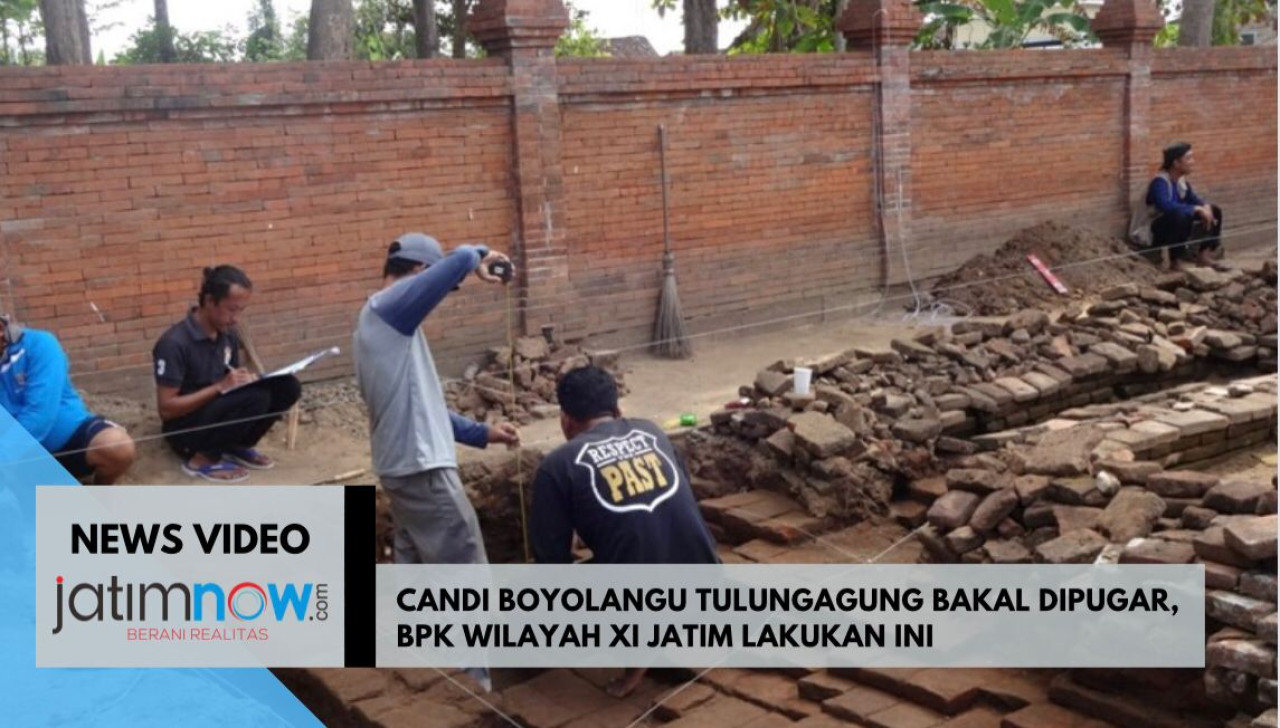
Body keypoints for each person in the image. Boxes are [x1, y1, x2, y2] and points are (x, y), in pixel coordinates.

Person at [530, 365, 719, 697]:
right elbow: (678, 503)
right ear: (617, 411)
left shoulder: (557, 466)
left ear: (565, 420)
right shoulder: (653, 432)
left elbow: (550, 562)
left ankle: (641, 656)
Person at [152, 265, 300, 483]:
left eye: (241, 311)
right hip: (185, 430)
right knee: (256, 398)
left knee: (287, 386)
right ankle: (201, 460)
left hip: (216, 413)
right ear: (210, 301)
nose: (236, 318)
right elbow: (166, 409)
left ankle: (233, 446)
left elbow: (230, 380)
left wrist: (245, 380)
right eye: (231, 310)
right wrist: (220, 387)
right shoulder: (174, 343)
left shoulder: (226, 334)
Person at [0, 314, 135, 484]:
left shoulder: (40, 344)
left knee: (116, 446)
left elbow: (39, 414)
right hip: (19, 459)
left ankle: (101, 491)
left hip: (66, 439)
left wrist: (3, 456)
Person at [1136, 142, 1223, 270]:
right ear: (1176, 163)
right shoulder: (1159, 183)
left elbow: (1193, 199)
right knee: (1180, 215)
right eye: (1188, 158)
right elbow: (1166, 206)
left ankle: (1203, 256)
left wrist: (1204, 206)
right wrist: (1195, 209)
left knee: (1214, 211)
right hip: (1152, 229)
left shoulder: (1181, 182)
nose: (1192, 162)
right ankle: (1175, 260)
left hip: (1174, 224)